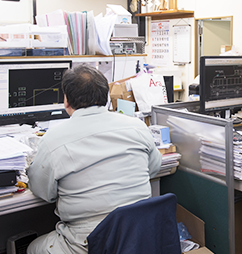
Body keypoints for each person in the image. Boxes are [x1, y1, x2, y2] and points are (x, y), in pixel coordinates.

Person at [27, 64, 162, 254]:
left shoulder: (53, 140)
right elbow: (154, 168)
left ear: (66, 101)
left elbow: (43, 192)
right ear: (106, 97)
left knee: (33, 247)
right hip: (138, 238)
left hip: (88, 243)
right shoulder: (137, 127)